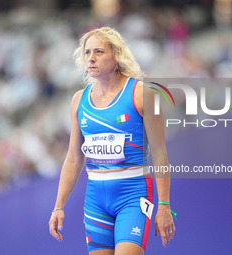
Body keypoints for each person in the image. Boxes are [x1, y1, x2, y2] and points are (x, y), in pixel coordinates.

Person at [49, 27, 175, 255]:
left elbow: (159, 152)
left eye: (99, 51)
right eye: (87, 52)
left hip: (133, 194)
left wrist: (164, 205)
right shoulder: (79, 101)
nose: (91, 58)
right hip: (96, 198)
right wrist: (58, 206)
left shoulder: (143, 94)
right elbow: (74, 159)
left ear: (116, 56)